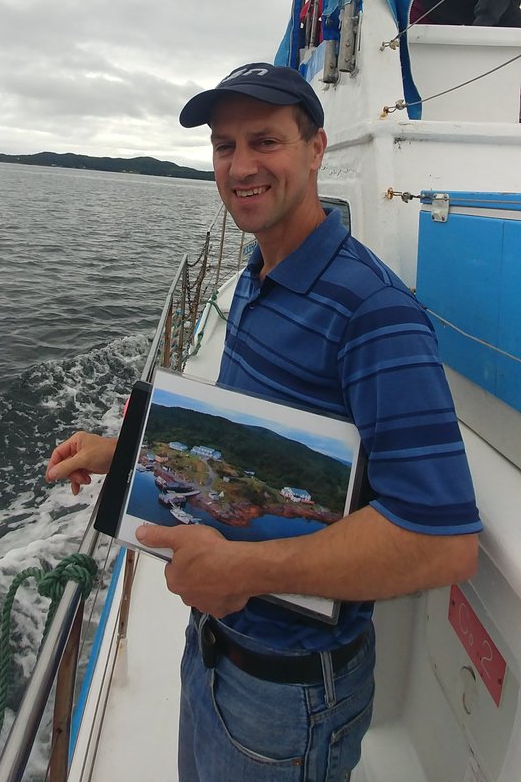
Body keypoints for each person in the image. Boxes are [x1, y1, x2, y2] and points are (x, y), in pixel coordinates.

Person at [47, 62, 481, 782]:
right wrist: (122, 450)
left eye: (264, 141)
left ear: (316, 150)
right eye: (224, 146)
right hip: (217, 650)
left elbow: (441, 541)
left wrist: (245, 567)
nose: (241, 166)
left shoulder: (375, 315)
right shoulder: (257, 275)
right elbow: (240, 443)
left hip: (291, 696)